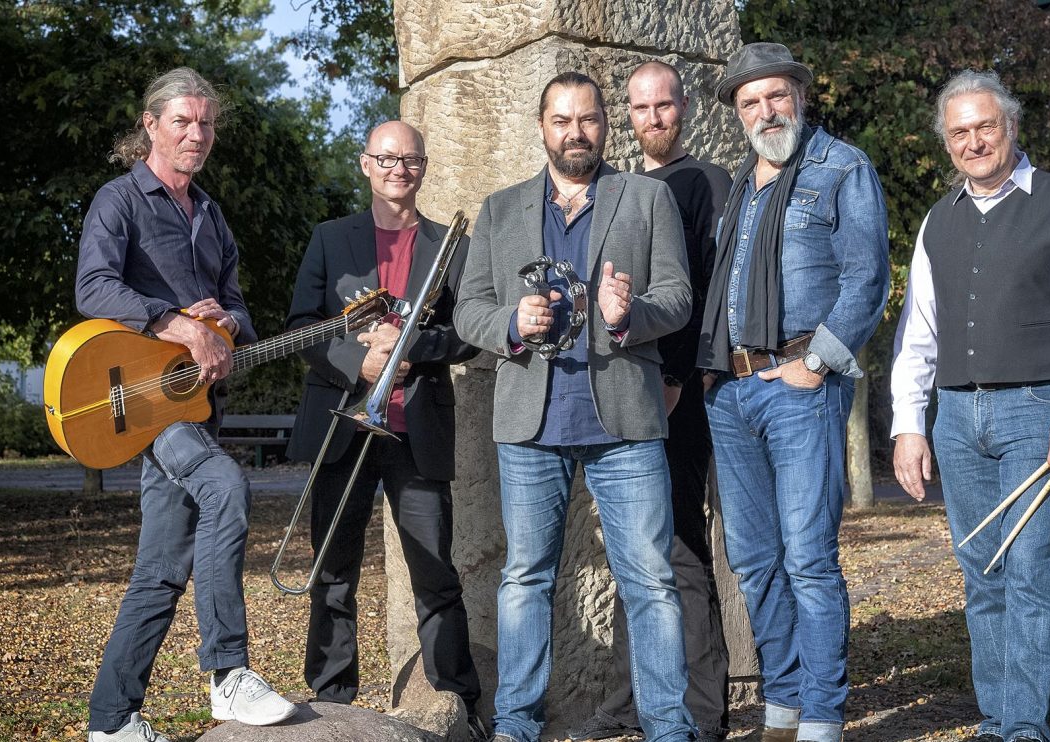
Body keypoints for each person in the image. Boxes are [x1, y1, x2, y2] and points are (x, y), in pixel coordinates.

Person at [453, 71, 695, 742]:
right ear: (542, 127)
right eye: (562, 120)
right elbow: (468, 308)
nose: (575, 131)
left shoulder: (646, 200)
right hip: (531, 422)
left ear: (604, 125)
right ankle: (518, 727)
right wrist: (510, 323)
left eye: (586, 119)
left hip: (625, 422)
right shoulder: (500, 210)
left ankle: (669, 729)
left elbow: (678, 296)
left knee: (650, 583)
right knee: (524, 580)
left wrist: (629, 315)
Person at [890, 69, 1050, 742]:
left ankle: (1024, 727)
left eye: (985, 126)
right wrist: (909, 426)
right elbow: (918, 335)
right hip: (957, 418)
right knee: (981, 574)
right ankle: (996, 720)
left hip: (1037, 408)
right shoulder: (938, 221)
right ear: (947, 142)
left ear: (1010, 126)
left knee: (1031, 572)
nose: (974, 141)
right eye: (959, 132)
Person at [76, 67, 296, 742]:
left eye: (205, 123)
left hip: (197, 401)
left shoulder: (211, 213)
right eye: (182, 121)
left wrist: (223, 322)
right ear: (150, 124)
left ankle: (111, 722)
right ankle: (228, 673)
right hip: (140, 402)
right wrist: (179, 322)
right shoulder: (119, 201)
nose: (196, 134)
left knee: (162, 570)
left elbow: (239, 309)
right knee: (225, 482)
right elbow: (93, 288)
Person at [697, 43, 890, 742]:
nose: (765, 110)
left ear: (800, 98)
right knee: (754, 557)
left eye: (776, 96)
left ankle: (822, 714)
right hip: (734, 390)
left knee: (809, 555)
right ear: (739, 114)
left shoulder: (842, 168)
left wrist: (819, 363)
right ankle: (781, 704)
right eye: (751, 102)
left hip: (800, 384)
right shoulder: (740, 189)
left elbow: (868, 278)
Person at [283, 120, 485, 737]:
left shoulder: (449, 245)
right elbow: (301, 325)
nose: (400, 168)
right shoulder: (329, 237)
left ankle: (457, 700)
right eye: (387, 158)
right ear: (366, 165)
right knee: (333, 569)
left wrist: (411, 346)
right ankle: (334, 700)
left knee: (436, 573)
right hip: (343, 421)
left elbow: (467, 336)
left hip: (414, 427)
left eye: (412, 159)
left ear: (424, 167)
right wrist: (358, 360)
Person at [567, 60, 733, 742]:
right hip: (627, 396)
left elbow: (702, 296)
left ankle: (702, 708)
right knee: (640, 551)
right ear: (624, 116)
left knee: (679, 548)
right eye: (640, 108)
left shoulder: (706, 184)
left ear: (684, 107)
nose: (653, 118)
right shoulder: (621, 190)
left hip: (678, 393)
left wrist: (680, 377)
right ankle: (645, 697)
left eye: (664, 105)